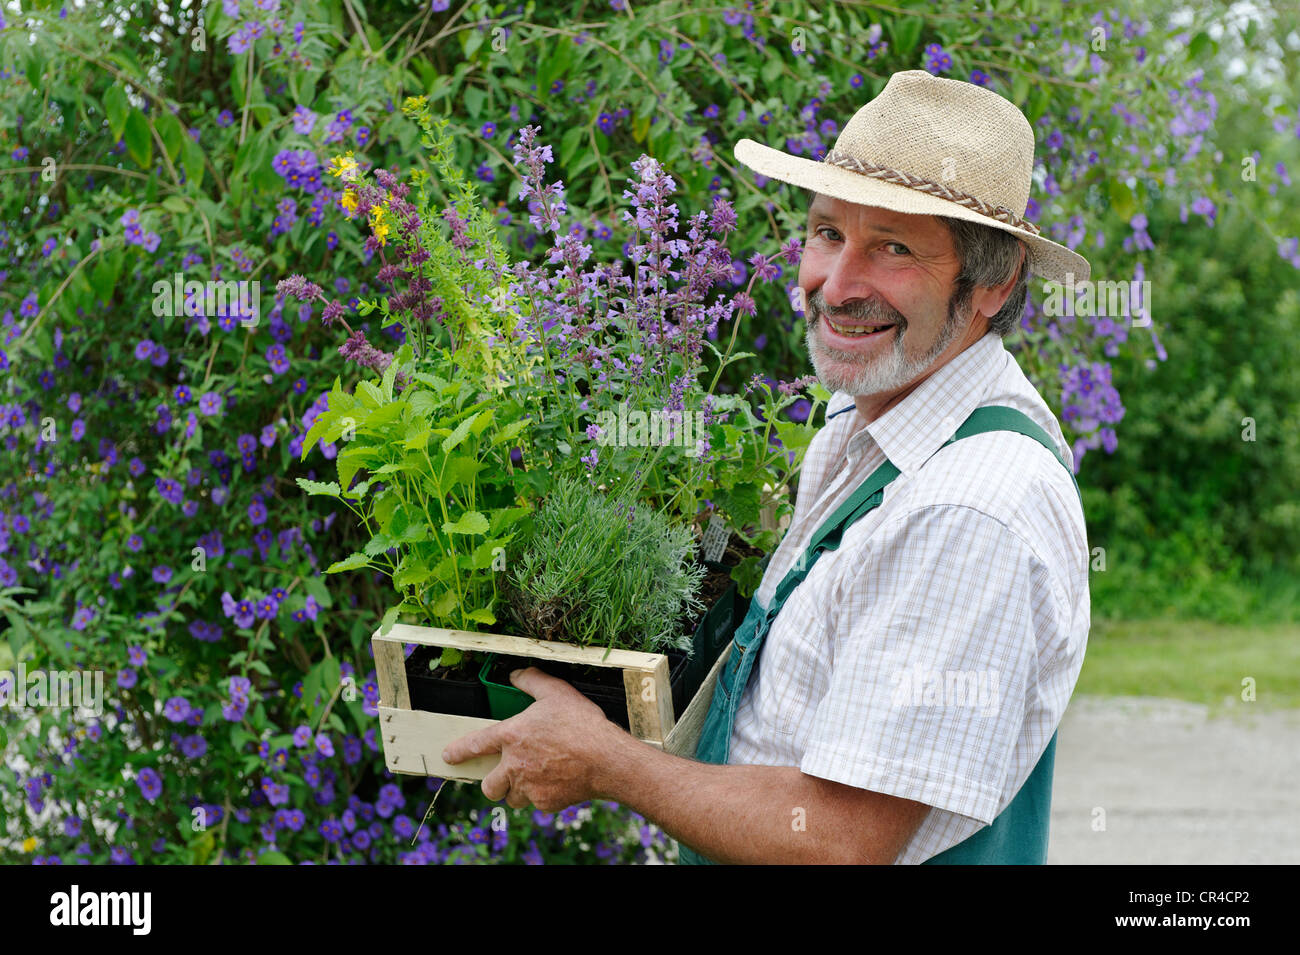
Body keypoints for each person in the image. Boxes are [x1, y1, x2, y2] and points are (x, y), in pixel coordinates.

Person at [444, 70, 1092, 865]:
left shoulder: (970, 505)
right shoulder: (861, 432)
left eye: (893, 248)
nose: (836, 285)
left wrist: (604, 761)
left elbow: (839, 839)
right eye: (827, 234)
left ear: (994, 283)